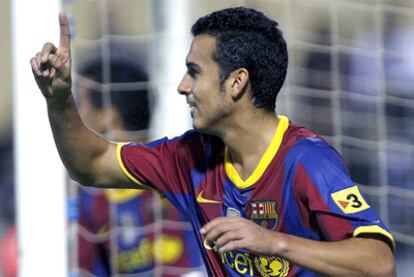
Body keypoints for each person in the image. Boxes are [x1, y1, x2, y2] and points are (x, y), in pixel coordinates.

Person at [31, 7, 395, 276]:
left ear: (236, 82)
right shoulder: (190, 156)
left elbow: (380, 265)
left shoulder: (307, 161)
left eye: (194, 72)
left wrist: (273, 242)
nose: (182, 86)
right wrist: (59, 99)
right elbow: (90, 163)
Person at [72, 50, 205, 276]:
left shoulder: (183, 174)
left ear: (108, 116)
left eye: (80, 105)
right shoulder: (90, 200)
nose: (75, 115)